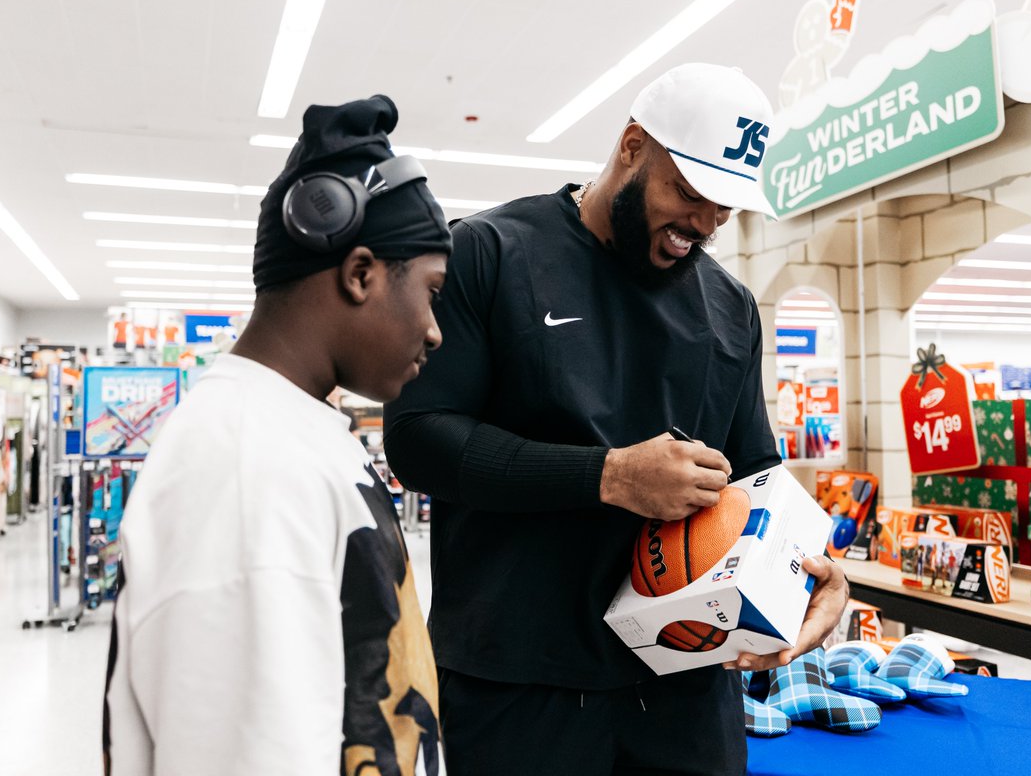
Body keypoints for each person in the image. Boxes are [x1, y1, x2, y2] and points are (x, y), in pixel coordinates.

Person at [384, 63, 849, 775]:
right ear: (633, 146)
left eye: (725, 209)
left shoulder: (730, 309)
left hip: (686, 686)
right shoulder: (490, 252)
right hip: (520, 683)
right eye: (689, 193)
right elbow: (418, 437)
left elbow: (757, 478)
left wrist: (812, 574)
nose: (705, 224)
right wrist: (608, 476)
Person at [104, 95, 451, 776]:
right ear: (360, 274)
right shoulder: (246, 470)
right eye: (432, 292)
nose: (435, 331)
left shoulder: (291, 432)